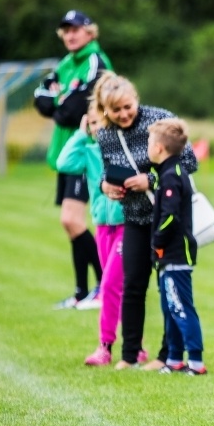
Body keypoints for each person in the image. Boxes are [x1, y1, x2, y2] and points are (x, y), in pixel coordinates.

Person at [93, 72, 198, 370]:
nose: (124, 114)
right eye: (116, 110)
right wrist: (106, 186)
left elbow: (189, 161)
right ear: (105, 111)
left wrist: (149, 179)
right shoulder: (106, 135)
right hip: (135, 218)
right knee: (133, 284)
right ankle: (129, 355)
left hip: (167, 219)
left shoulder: (160, 120)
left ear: (136, 99)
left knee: (169, 288)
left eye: (128, 106)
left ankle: (167, 355)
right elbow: (105, 171)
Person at [33, 10, 112, 310]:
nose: (70, 34)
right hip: (67, 153)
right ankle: (82, 292)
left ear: (90, 32)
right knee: (70, 223)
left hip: (87, 151)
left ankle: (105, 287)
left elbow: (74, 109)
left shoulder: (95, 62)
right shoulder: (66, 65)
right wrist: (61, 101)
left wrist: (59, 101)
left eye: (76, 29)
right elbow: (41, 97)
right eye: (66, 30)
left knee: (73, 219)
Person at [56, 102, 126, 366]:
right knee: (115, 287)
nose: (97, 128)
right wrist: (80, 133)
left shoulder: (121, 148)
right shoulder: (88, 151)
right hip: (102, 225)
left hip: (126, 223)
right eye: (92, 123)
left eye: (100, 122)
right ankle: (127, 347)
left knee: (111, 285)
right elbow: (63, 162)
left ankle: (108, 347)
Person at [146, 119, 206, 376]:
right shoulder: (169, 173)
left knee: (181, 307)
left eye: (149, 143)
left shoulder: (171, 177)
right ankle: (173, 358)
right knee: (170, 308)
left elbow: (170, 217)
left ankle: (195, 361)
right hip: (168, 256)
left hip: (174, 254)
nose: (147, 148)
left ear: (159, 148)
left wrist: (156, 242)